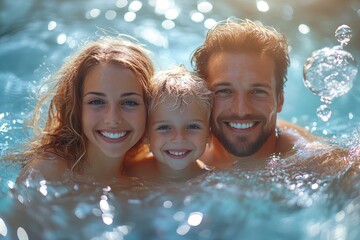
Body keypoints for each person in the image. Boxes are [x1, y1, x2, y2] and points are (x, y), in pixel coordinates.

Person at [191, 18, 347, 170]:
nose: (241, 110)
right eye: (224, 91)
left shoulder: (310, 160)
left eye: (258, 91)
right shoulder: (178, 153)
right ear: (202, 98)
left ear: (280, 100)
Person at [10, 36, 154, 184]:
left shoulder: (150, 168)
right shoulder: (47, 174)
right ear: (76, 107)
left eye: (129, 102)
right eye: (97, 101)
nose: (112, 119)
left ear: (149, 107)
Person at [126, 66, 213, 182]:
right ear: (146, 135)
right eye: (164, 127)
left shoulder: (211, 181)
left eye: (192, 126)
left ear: (209, 133)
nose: (179, 138)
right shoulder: (128, 175)